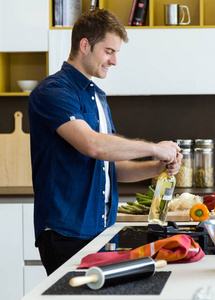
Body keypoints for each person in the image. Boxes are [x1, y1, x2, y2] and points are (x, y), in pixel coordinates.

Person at [28, 9, 182, 275]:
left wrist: (156, 167)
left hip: (102, 231)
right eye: (109, 51)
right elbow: (93, 145)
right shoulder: (53, 91)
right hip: (66, 232)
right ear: (84, 45)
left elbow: (109, 165)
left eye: (116, 53)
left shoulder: (98, 97)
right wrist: (154, 148)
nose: (114, 61)